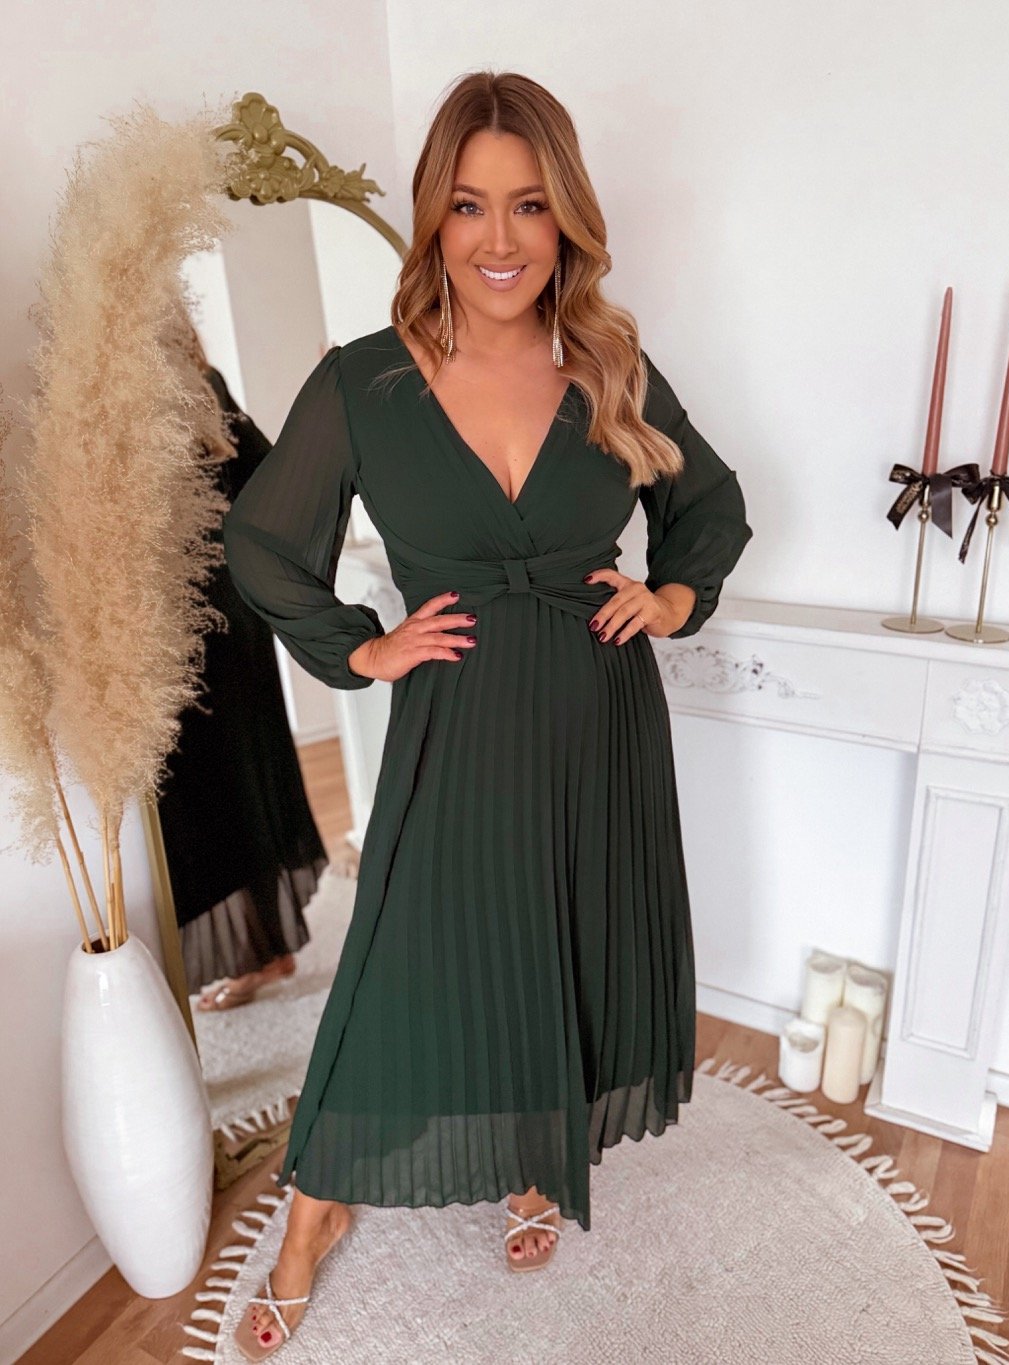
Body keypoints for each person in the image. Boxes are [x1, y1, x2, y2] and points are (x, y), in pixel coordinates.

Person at [223, 69, 752, 1359]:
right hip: (455, 721)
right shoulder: (363, 384)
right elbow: (263, 545)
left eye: (529, 205)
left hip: (595, 714)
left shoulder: (608, 365)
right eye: (469, 206)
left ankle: (532, 1154)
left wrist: (671, 598)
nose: (501, 239)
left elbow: (710, 502)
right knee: (403, 963)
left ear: (566, 218)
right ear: (433, 220)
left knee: (561, 938)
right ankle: (313, 1214)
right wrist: (363, 646)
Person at [156, 323, 327, 1010]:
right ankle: (266, 949)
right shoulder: (200, 388)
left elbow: (270, 480)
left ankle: (264, 951)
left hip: (205, 623)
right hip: (208, 617)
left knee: (220, 788)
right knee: (233, 782)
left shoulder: (196, 391)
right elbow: (272, 478)